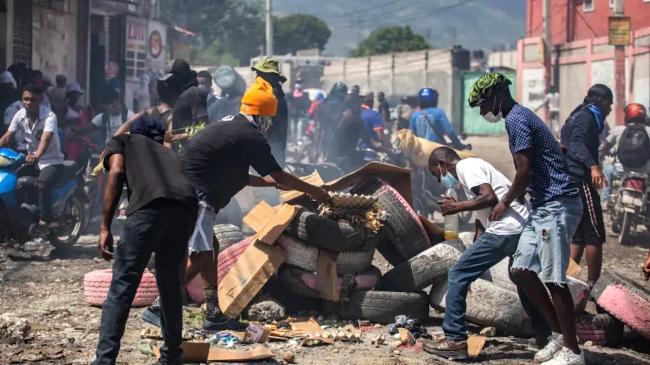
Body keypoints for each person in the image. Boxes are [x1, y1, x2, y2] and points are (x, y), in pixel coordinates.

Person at [143, 76, 330, 331]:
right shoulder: (250, 136)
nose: (269, 124)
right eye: (269, 119)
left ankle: (213, 313)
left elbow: (242, 177)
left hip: (188, 190)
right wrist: (314, 191)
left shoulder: (233, 126)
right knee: (198, 257)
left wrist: (272, 184)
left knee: (212, 249)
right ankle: (157, 306)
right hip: (195, 196)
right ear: (263, 117)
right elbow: (279, 174)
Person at [468, 72, 585, 365]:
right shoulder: (519, 118)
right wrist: (525, 192)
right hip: (543, 205)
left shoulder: (517, 119)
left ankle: (573, 351)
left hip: (557, 205)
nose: (483, 112)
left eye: (483, 105)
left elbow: (525, 169)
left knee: (554, 279)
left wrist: (506, 200)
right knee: (519, 270)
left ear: (496, 95)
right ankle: (559, 335)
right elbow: (545, 158)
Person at [423, 146, 549, 359]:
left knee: (456, 273)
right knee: (522, 278)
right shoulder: (467, 180)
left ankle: (454, 340)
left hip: (506, 229)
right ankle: (546, 337)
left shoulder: (466, 166)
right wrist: (473, 268)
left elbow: (489, 197)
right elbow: (481, 227)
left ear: (443, 165)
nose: (439, 181)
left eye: (437, 175)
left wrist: (457, 208)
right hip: (520, 228)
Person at [92, 116, 198, 365]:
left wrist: (104, 227)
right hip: (185, 208)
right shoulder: (170, 154)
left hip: (149, 209)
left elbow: (116, 171)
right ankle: (172, 356)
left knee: (123, 285)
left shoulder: (124, 141)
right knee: (171, 286)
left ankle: (104, 360)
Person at [560, 85, 613, 289]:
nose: (610, 108)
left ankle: (568, 281)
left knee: (579, 236)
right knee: (595, 234)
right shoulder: (588, 117)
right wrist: (593, 167)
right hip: (580, 178)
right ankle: (593, 285)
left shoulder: (576, 114)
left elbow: (565, 142)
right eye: (609, 103)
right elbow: (578, 143)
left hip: (570, 177)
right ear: (600, 100)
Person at [0, 83, 64, 226]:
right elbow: (8, 136)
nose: (29, 103)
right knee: (13, 180)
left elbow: (46, 139)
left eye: (32, 100)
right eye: (26, 99)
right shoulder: (19, 114)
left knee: (42, 183)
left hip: (51, 161)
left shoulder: (49, 116)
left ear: (39, 100)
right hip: (30, 160)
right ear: (22, 100)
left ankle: (45, 219)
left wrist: (37, 155)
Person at [252, 57, 288, 166]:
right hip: (273, 146)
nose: (257, 77)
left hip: (269, 147)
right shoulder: (275, 93)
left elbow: (265, 127)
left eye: (259, 74)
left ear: (268, 77)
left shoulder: (272, 96)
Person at [315, 82, 348, 160]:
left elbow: (318, 130)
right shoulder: (345, 108)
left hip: (325, 144)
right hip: (339, 146)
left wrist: (315, 149)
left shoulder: (322, 106)